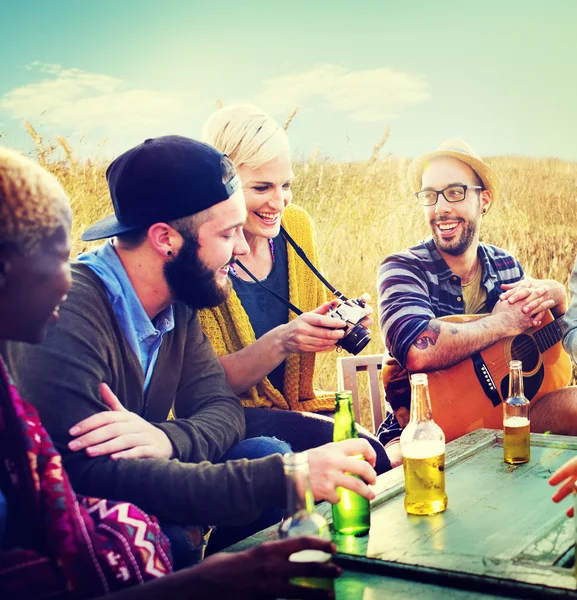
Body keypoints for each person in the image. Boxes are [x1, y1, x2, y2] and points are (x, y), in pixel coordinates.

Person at [1, 136, 378, 562]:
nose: (241, 249)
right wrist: (286, 478)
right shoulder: (63, 311)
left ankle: (239, 573)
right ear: (166, 238)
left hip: (139, 480)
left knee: (264, 450)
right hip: (66, 515)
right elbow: (92, 476)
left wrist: (167, 438)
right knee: (177, 532)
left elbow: (222, 407)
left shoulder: (176, 303)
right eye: (228, 232)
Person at [200, 104, 390, 474]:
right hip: (225, 418)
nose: (279, 202)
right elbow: (206, 385)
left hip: (294, 406)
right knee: (363, 456)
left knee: (370, 452)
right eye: (261, 187)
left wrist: (334, 324)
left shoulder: (296, 225)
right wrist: (284, 340)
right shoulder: (204, 250)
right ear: (222, 185)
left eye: (285, 185)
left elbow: (303, 317)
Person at [377, 138, 569, 449]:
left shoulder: (506, 265)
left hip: (507, 418)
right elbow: (417, 348)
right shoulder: (402, 268)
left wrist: (558, 299)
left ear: (485, 201)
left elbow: (542, 335)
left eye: (454, 192)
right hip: (425, 431)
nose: (441, 208)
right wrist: (501, 324)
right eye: (430, 195)